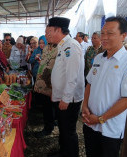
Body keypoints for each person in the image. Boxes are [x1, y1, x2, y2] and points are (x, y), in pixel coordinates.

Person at [82, 16, 127, 157]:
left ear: (123, 36)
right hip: (90, 122)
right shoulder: (99, 58)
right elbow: (90, 83)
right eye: (102, 33)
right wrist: (85, 106)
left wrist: (100, 118)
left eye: (110, 33)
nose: (104, 37)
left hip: (110, 129)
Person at [49, 17, 85, 157]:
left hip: (70, 99)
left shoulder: (71, 45)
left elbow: (72, 76)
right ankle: (63, 152)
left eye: (50, 31)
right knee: (63, 128)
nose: (48, 34)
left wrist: (66, 98)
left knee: (68, 130)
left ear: (58, 30)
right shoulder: (63, 45)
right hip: (63, 96)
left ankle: (71, 154)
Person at [34, 26, 59, 138]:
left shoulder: (60, 47)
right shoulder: (47, 47)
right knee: (46, 107)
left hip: (52, 85)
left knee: (51, 107)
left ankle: (49, 128)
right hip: (43, 84)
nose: (46, 36)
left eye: (48, 33)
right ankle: (48, 126)